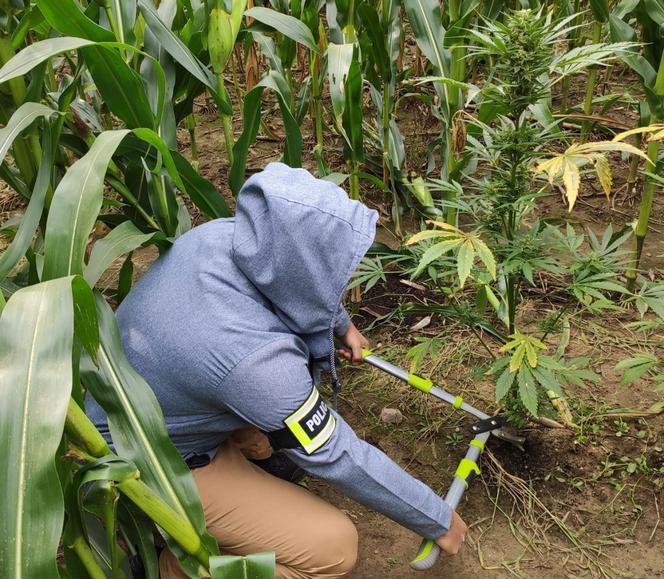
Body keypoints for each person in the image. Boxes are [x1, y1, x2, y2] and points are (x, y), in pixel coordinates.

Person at [88, 163, 467, 578]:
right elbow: (337, 452)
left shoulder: (220, 235)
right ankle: (168, 567)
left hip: (142, 397)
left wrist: (341, 325)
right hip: (145, 461)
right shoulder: (255, 362)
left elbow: (292, 275)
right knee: (335, 547)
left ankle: (246, 469)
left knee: (271, 437)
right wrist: (436, 518)